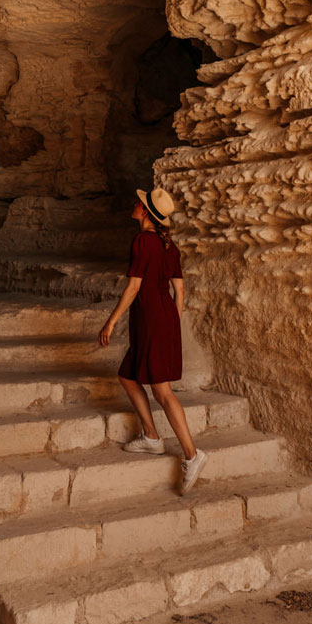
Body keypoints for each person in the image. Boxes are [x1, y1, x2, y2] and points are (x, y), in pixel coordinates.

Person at [98, 186, 207, 495]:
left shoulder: (143, 242)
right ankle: (151, 437)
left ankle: (192, 454)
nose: (134, 205)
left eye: (139, 203)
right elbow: (180, 292)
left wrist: (111, 321)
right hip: (163, 319)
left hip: (151, 321)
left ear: (145, 213)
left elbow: (134, 287)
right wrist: (173, 322)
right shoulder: (170, 246)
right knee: (128, 376)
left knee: (162, 391)